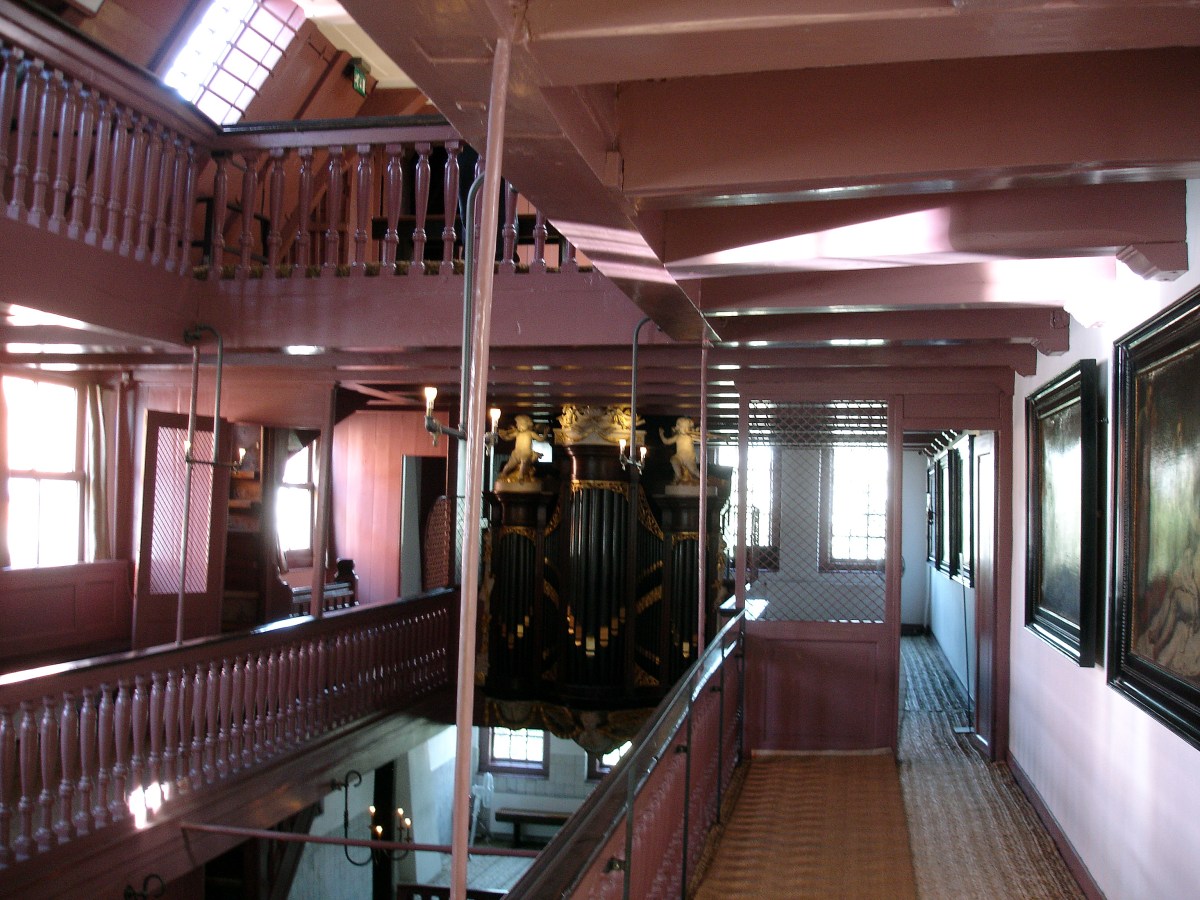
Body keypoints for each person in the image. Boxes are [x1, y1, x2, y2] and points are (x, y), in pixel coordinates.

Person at [497, 414, 549, 483]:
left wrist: (545, 433)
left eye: (518, 424)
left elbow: (541, 439)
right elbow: (508, 438)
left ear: (524, 424)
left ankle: (521, 475)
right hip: (516, 453)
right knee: (509, 465)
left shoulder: (530, 433)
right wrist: (502, 435)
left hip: (526, 453)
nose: (517, 426)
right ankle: (503, 473)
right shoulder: (517, 433)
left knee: (523, 462)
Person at [659, 416, 701, 484]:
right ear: (678, 428)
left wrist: (702, 434)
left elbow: (701, 439)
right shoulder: (677, 437)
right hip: (679, 456)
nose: (684, 429)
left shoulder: (691, 436)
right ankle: (678, 476)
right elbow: (666, 441)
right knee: (673, 460)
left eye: (686, 427)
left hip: (689, 458)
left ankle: (703, 479)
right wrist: (661, 435)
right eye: (682, 427)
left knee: (694, 470)